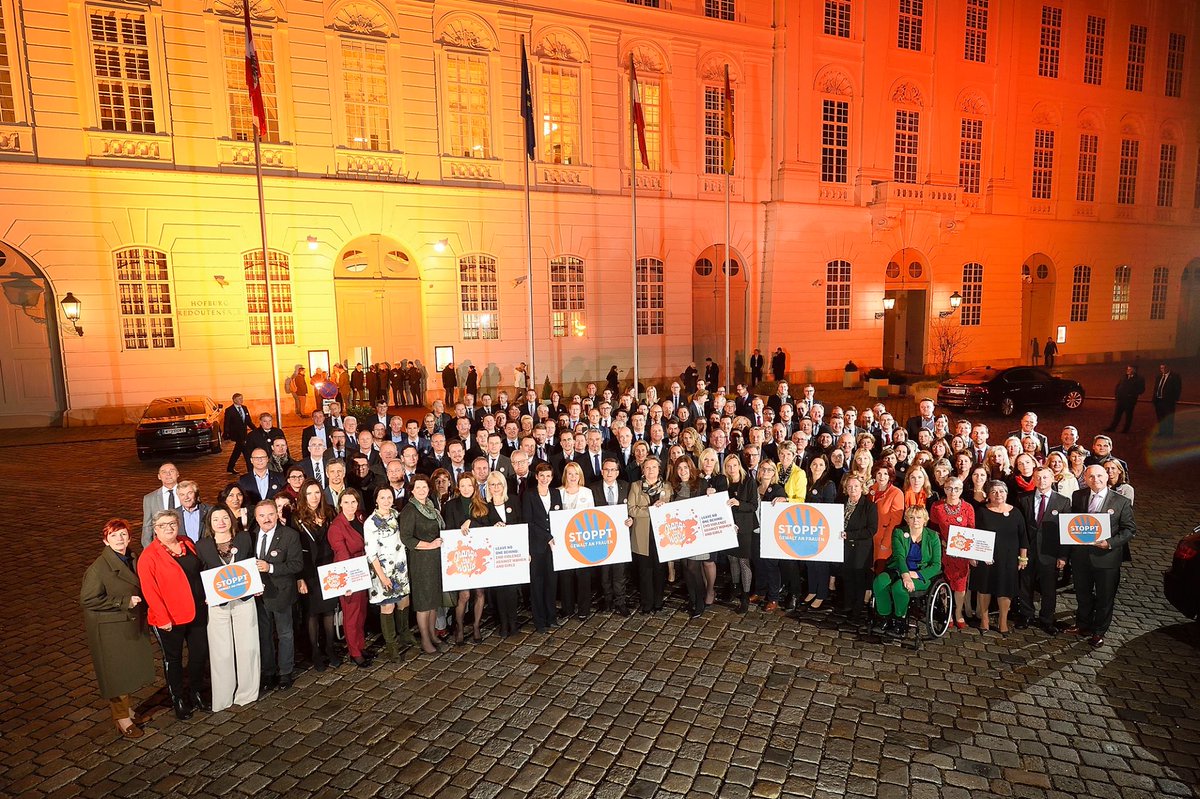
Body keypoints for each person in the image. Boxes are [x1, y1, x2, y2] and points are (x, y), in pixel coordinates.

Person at [81, 519, 157, 738]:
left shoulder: (131, 557)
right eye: (114, 535)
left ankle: (128, 711)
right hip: (109, 629)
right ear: (106, 540)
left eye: (123, 534)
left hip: (126, 623)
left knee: (128, 671)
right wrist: (123, 602)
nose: (119, 539)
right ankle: (122, 719)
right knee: (117, 675)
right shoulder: (98, 568)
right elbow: (87, 599)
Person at [138, 509, 209, 719]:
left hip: (196, 611)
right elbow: (150, 591)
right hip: (169, 618)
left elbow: (199, 572)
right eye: (163, 525)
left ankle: (196, 691)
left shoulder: (187, 543)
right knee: (174, 660)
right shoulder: (148, 557)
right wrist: (163, 619)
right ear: (155, 530)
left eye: (172, 523)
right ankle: (177, 698)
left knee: (198, 655)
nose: (168, 528)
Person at [1062, 464, 1136, 647]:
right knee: (1083, 594)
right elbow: (1073, 523)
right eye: (1091, 477)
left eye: (1100, 476)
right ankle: (1082, 625)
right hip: (1081, 556)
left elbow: (1130, 529)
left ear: (1107, 477)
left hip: (1106, 558)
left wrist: (1109, 543)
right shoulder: (1078, 496)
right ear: (1085, 479)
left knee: (1105, 597)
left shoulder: (1121, 501)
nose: (1096, 480)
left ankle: (1098, 631)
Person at [195, 505, 260, 711]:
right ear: (210, 523)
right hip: (217, 603)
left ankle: (247, 692)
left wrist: (257, 585)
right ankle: (223, 696)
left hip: (244, 599)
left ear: (231, 519)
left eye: (225, 517)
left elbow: (252, 563)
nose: (221, 522)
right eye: (216, 519)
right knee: (220, 651)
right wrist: (205, 595)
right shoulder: (202, 546)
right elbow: (200, 575)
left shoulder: (244, 539)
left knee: (248, 646)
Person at [251, 501, 303, 691]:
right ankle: (268, 672)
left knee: (285, 634)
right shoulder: (251, 535)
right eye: (262, 515)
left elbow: (297, 564)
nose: (267, 519)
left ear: (276, 514)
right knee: (264, 635)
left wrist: (271, 567)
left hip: (281, 593)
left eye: (270, 514)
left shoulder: (290, 535)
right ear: (256, 518)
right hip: (259, 595)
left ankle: (285, 672)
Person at [292, 481, 341, 671]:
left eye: (317, 493)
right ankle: (315, 652)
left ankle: (329, 647)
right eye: (310, 493)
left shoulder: (329, 512)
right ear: (304, 495)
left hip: (329, 568)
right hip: (309, 571)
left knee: (329, 610)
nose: (314, 497)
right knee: (312, 613)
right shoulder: (296, 518)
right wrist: (299, 577)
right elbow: (295, 550)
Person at [1016, 466, 1071, 635]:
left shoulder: (1063, 501)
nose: (1042, 481)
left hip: (1050, 552)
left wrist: (1063, 555)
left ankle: (1047, 619)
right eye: (1038, 478)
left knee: (1049, 589)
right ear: (1033, 479)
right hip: (1028, 552)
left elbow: (1065, 531)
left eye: (1045, 478)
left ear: (1053, 479)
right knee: (1025, 585)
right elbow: (1020, 527)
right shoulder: (1023, 498)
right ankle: (1026, 615)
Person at [872, 507, 943, 637]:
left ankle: (900, 620)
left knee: (899, 588)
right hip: (899, 568)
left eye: (919, 517)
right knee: (880, 582)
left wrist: (916, 575)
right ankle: (884, 617)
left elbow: (936, 565)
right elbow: (899, 556)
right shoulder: (899, 532)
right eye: (911, 517)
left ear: (925, 520)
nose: (915, 520)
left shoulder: (933, 537)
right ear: (907, 520)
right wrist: (906, 575)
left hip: (921, 574)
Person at [971, 480, 1029, 634]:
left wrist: (1023, 558)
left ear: (1007, 493)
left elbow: (1023, 536)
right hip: (986, 557)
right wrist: (974, 556)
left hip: (1008, 558)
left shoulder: (1016, 512)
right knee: (984, 588)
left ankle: (1003, 621)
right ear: (988, 495)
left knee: (1005, 589)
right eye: (994, 492)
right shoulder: (981, 511)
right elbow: (975, 535)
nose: (998, 495)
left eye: (1001, 491)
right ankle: (984, 620)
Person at [398, 475, 445, 654]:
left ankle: (433, 634)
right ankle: (425, 640)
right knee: (424, 603)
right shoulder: (410, 510)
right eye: (418, 487)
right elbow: (406, 538)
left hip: (434, 559)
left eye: (424, 487)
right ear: (412, 490)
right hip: (420, 560)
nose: (422, 490)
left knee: (433, 601)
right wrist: (430, 545)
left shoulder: (430, 507)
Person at [364, 486, 413, 658]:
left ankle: (404, 632)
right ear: (376, 500)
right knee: (388, 606)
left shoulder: (396, 515)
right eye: (382, 497)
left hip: (400, 567)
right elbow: (371, 554)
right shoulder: (370, 523)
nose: (386, 500)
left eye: (389, 497)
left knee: (404, 601)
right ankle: (391, 645)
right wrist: (382, 577)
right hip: (382, 570)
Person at [327, 489, 373, 668]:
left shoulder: (361, 517)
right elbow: (342, 555)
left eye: (353, 502)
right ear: (340, 504)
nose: (350, 506)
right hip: (348, 572)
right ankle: (354, 651)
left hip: (363, 570)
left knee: (361, 612)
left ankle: (361, 646)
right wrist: (346, 582)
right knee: (351, 614)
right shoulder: (336, 527)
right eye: (346, 502)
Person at [928, 477, 975, 630]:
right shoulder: (937, 507)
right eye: (949, 488)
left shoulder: (968, 508)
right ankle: (947, 613)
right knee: (944, 583)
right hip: (943, 551)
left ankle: (958, 612)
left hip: (961, 554)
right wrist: (942, 544)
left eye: (956, 489)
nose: (952, 492)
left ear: (961, 490)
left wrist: (971, 553)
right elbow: (933, 530)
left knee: (960, 585)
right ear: (944, 489)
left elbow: (972, 532)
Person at [628, 456, 671, 614]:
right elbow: (631, 509)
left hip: (662, 535)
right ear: (643, 470)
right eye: (647, 467)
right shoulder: (635, 486)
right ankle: (647, 603)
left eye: (654, 467)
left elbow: (674, 509)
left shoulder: (667, 486)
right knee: (645, 571)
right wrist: (652, 510)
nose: (651, 470)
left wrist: (664, 507)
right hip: (642, 534)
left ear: (659, 469)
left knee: (660, 571)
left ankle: (658, 602)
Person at [484, 471, 524, 637]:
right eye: (492, 484)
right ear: (488, 487)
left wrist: (524, 552)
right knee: (500, 590)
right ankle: (504, 623)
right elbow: (482, 530)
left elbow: (522, 525)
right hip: (495, 556)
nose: (496, 487)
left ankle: (513, 622)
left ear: (504, 485)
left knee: (512, 590)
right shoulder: (485, 507)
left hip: (513, 554)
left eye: (498, 484)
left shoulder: (513, 500)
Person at [523, 463, 562, 632]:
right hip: (536, 546)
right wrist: (547, 537)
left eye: (548, 476)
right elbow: (528, 522)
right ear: (537, 477)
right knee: (537, 584)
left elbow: (559, 517)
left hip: (553, 547)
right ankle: (539, 621)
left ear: (552, 478)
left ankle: (551, 617)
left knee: (551, 582)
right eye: (542, 476)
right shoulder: (528, 495)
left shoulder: (556, 493)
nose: (545, 479)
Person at [557, 462, 596, 619]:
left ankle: (584, 609)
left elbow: (592, 515)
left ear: (580, 476)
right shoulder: (558, 492)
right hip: (564, 541)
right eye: (570, 473)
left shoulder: (587, 492)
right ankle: (567, 608)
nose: (573, 477)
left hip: (582, 540)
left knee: (583, 576)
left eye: (576, 474)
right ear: (565, 475)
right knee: (566, 576)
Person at [838, 474, 878, 623]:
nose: (853, 489)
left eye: (856, 486)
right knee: (847, 575)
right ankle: (848, 604)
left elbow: (871, 530)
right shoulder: (841, 503)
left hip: (862, 548)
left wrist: (850, 535)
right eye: (849, 486)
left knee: (859, 578)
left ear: (862, 488)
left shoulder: (870, 506)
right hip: (844, 546)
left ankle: (857, 609)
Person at [799, 455, 838, 610]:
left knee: (821, 563)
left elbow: (829, 507)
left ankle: (821, 594)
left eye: (821, 464)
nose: (817, 467)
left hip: (820, 528)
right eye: (814, 464)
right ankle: (812, 590)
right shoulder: (806, 483)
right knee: (810, 562)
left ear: (825, 467)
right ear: (810, 466)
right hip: (805, 528)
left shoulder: (828, 484)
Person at [869, 464, 905, 575]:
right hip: (869, 539)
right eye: (879, 473)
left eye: (885, 474)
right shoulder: (871, 490)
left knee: (879, 572)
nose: (882, 477)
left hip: (884, 539)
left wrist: (886, 543)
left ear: (890, 476)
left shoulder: (896, 493)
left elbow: (895, 522)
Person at [141, 462, 181, 547]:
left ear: (178, 474)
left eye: (172, 471)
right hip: (162, 545)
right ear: (159, 476)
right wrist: (148, 549)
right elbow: (147, 526)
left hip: (184, 542)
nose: (168, 474)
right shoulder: (150, 498)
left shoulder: (187, 494)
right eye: (164, 472)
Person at [1107, 365, 1146, 433]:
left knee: (1128, 416)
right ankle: (1112, 428)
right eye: (1127, 369)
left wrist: (1132, 394)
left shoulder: (1139, 379)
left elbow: (1141, 389)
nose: (1128, 370)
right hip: (1120, 400)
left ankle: (1125, 429)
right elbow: (1118, 386)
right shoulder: (1124, 376)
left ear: (1134, 370)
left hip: (1129, 401)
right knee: (1117, 415)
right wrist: (1117, 395)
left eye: (1130, 369)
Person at [223, 393, 254, 474]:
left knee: (237, 451)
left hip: (244, 434)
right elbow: (227, 423)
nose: (241, 400)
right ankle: (250, 470)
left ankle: (230, 467)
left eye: (242, 398)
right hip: (237, 435)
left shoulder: (244, 408)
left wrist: (256, 430)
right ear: (234, 400)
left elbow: (248, 421)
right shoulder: (229, 410)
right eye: (239, 399)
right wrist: (226, 434)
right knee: (247, 452)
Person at [1152, 363, 1183, 437]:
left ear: (1168, 367)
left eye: (1164, 367)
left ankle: (1169, 434)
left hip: (1168, 402)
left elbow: (1178, 388)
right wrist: (1154, 398)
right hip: (1159, 401)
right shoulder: (1159, 377)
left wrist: (1174, 399)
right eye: (1161, 368)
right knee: (1160, 417)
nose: (1163, 369)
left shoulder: (1175, 376)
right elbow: (1156, 388)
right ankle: (1162, 432)